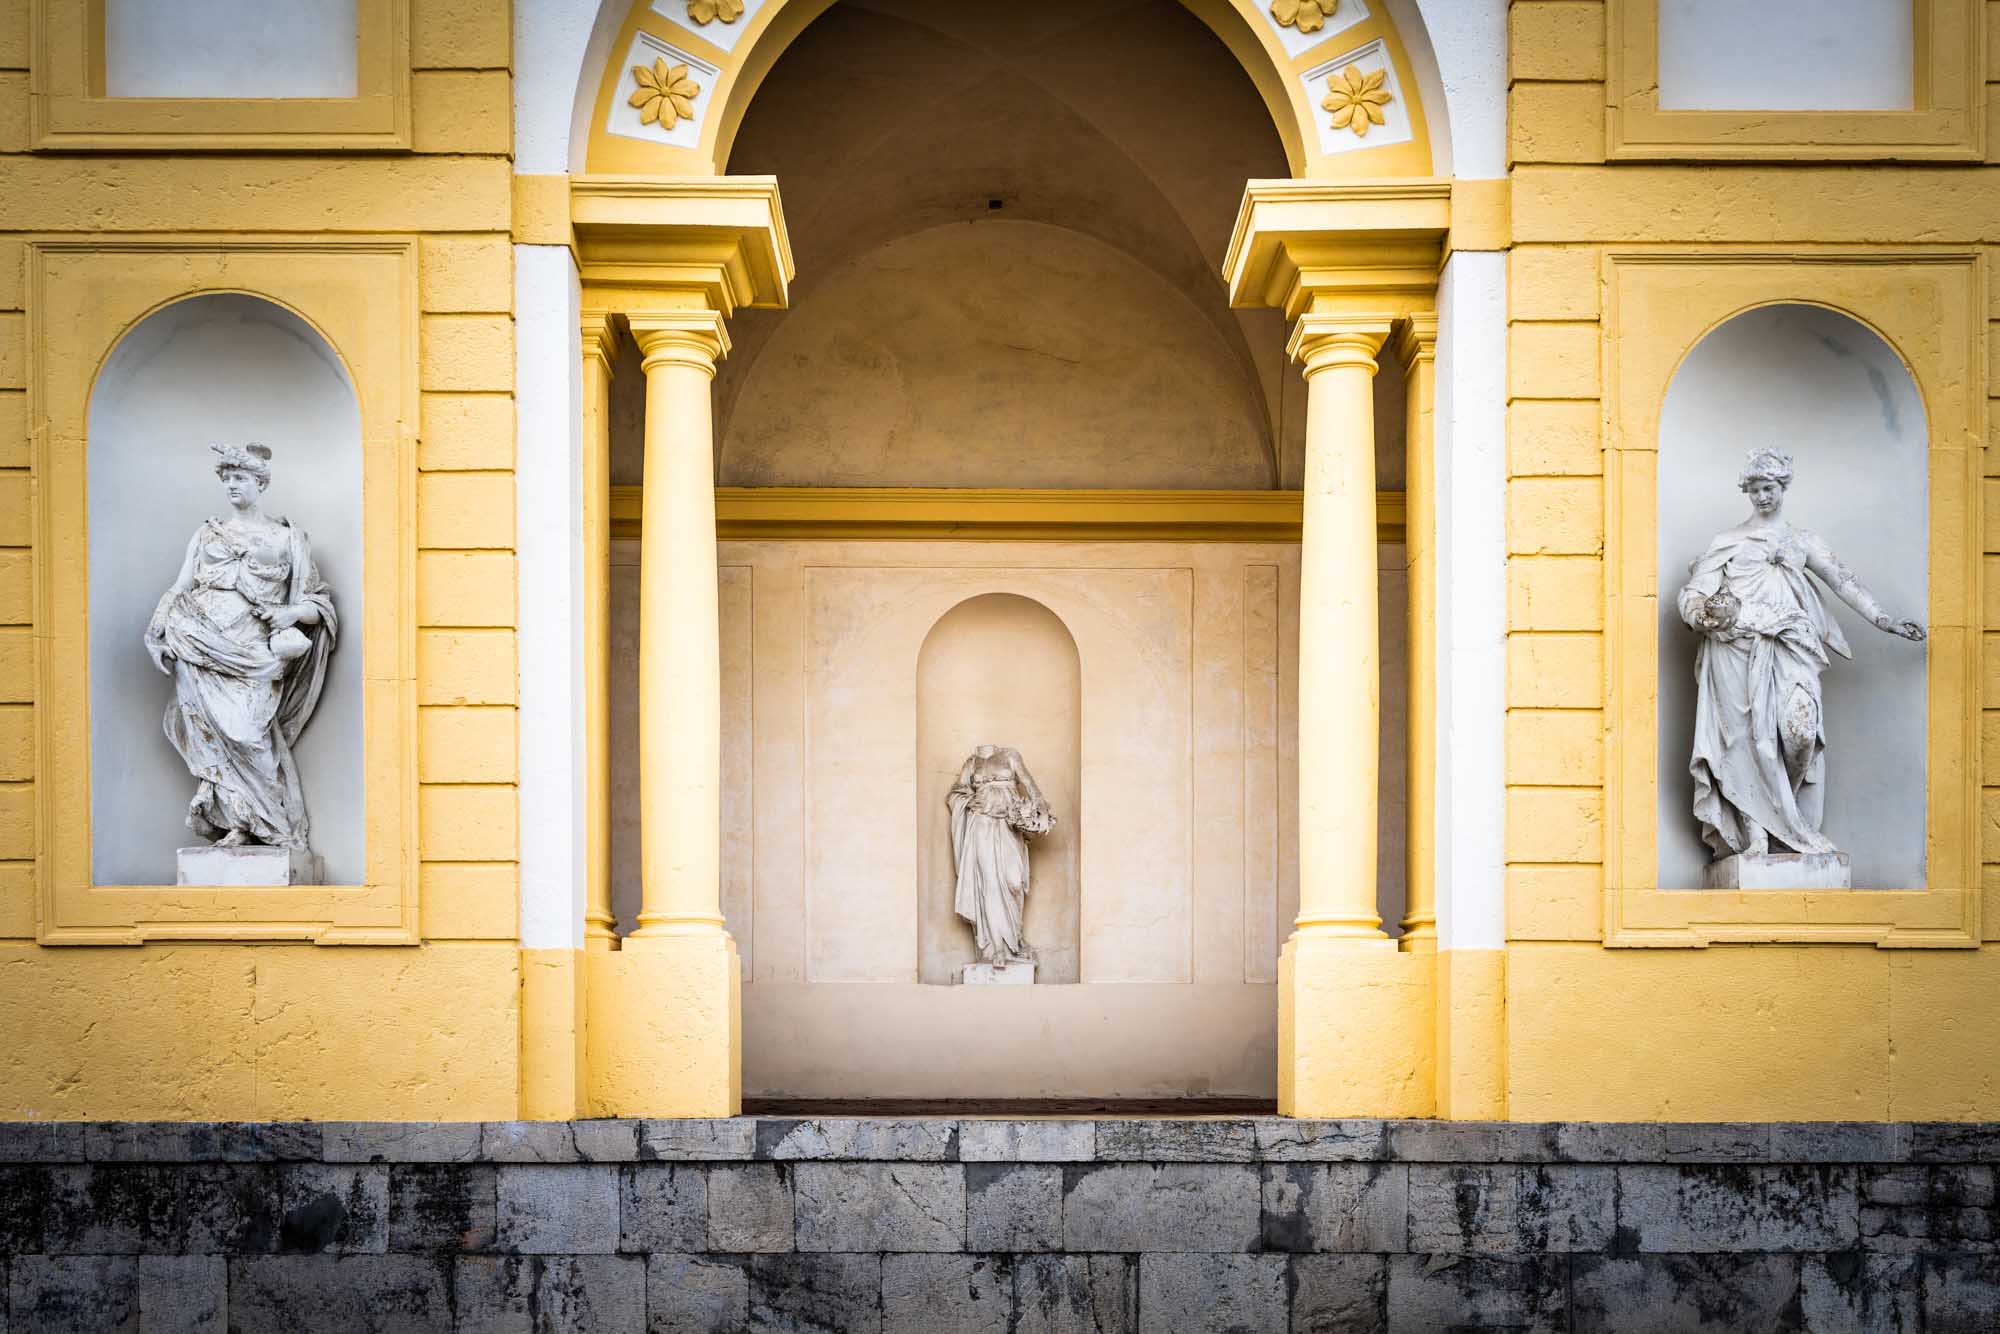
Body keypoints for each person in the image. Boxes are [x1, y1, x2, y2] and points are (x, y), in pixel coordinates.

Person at [1677, 447, 1924, 861]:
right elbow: (1694, 594)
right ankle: (1758, 835)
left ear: (1782, 488)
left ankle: (1785, 820)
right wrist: (1704, 615)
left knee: (1799, 734)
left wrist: (1885, 621)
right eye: (1754, 489)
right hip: (1738, 650)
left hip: (1793, 646)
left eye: (1769, 487)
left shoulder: (1802, 541)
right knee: (1747, 744)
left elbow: (1845, 582)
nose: (1762, 496)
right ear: (1747, 492)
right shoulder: (1728, 542)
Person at [145, 443, 337, 852]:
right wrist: (157, 632)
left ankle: (274, 825)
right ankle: (237, 822)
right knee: (210, 733)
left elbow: (316, 602)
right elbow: (182, 588)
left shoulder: (287, 538)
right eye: (227, 478)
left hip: (253, 652)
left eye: (240, 478)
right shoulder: (207, 533)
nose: (232, 485)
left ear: (260, 483)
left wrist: (289, 615)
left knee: (248, 733)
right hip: (198, 642)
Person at [947, 744, 1054, 967]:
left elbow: (1031, 787)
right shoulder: (972, 763)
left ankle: (1013, 940)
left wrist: (1039, 811)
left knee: (1013, 880)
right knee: (989, 884)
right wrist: (967, 803)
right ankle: (996, 948)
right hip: (982, 825)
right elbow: (955, 794)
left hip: (1008, 824)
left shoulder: (1009, 755)